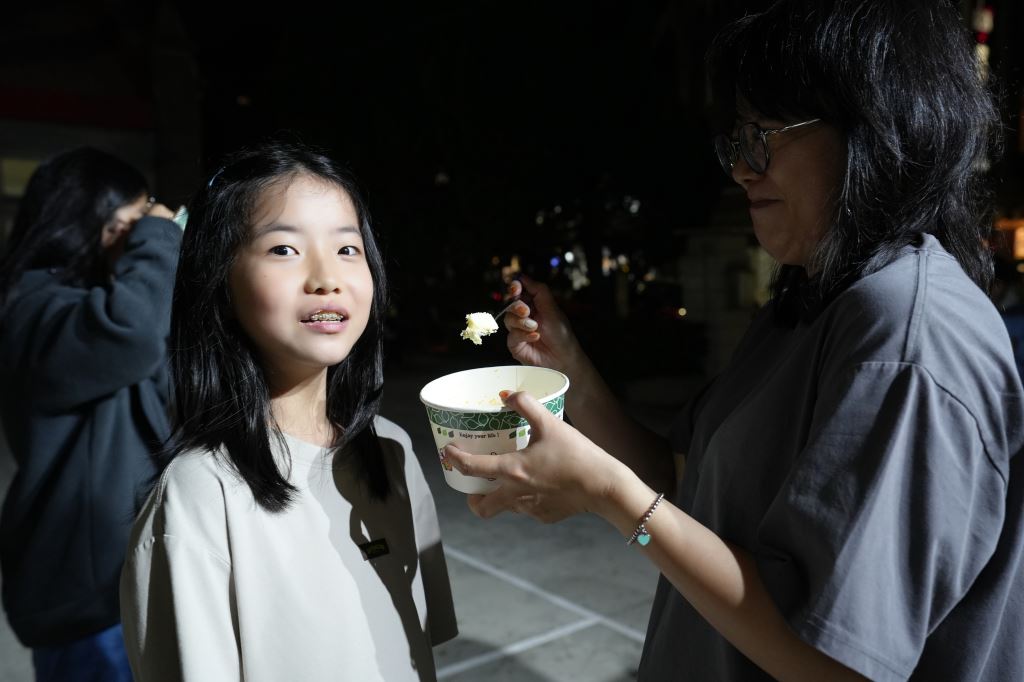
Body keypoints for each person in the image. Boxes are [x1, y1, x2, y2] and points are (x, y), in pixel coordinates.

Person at [444, 1, 1024, 680]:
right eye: (739, 138)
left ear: (879, 130)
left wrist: (606, 495)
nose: (743, 169)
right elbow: (686, 486)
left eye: (767, 135)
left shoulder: (907, 338)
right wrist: (569, 367)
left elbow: (834, 665)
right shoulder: (809, 300)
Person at [119, 141, 458, 681]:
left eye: (347, 248)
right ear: (219, 280)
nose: (327, 277)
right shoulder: (199, 494)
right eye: (284, 249)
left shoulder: (391, 450)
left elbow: (417, 641)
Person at [0, 147, 179, 681]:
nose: (139, 232)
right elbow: (133, 336)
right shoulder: (32, 306)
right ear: (88, 219)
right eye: (133, 219)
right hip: (86, 601)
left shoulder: (99, 299)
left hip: (130, 578)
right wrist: (159, 238)